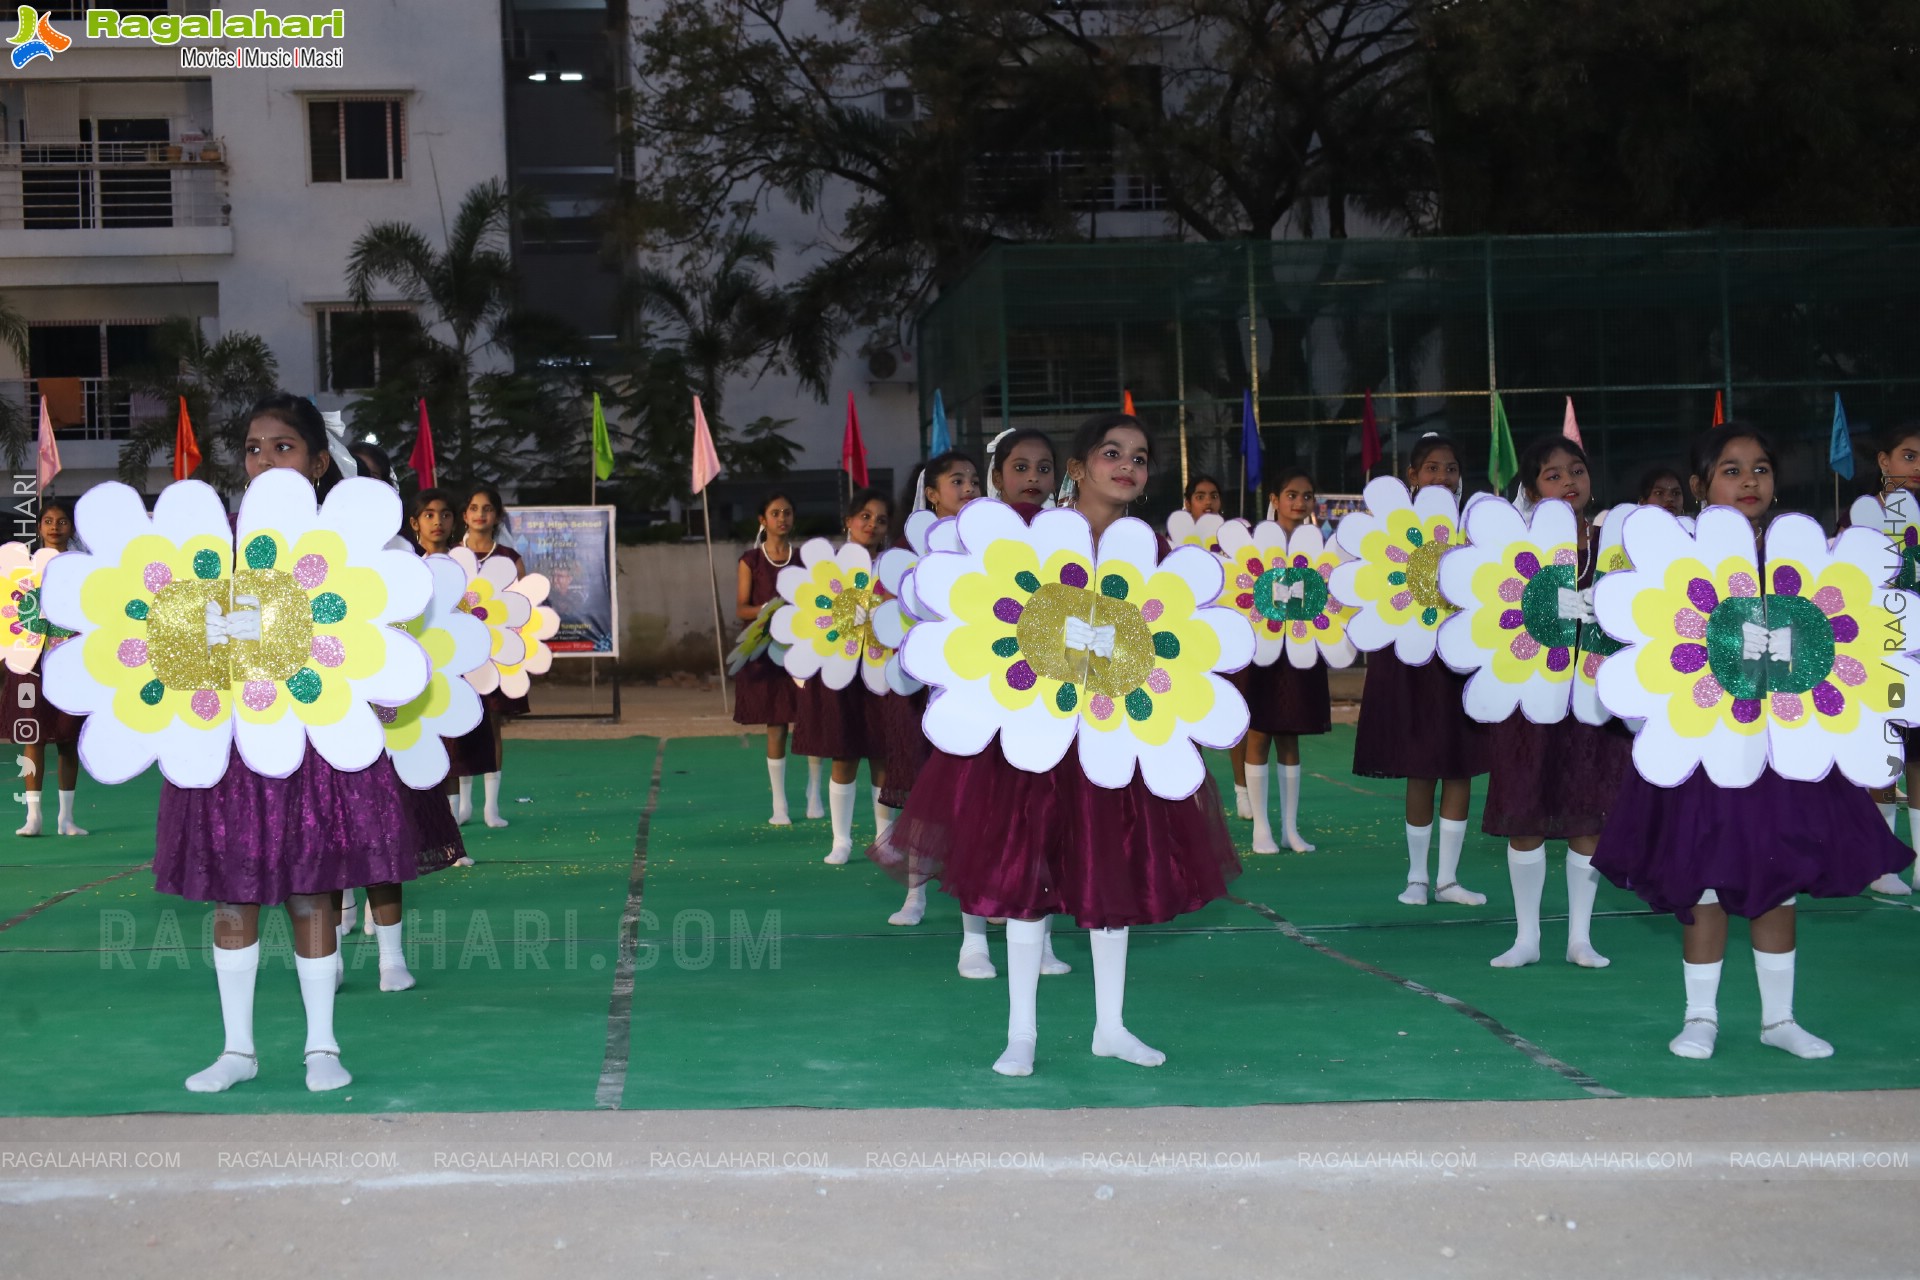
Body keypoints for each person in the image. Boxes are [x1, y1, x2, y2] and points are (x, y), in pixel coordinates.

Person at [870, 412, 1240, 1076]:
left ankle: (1111, 1026)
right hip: (1032, 742)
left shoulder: (1155, 552)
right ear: (1079, 468)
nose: (1128, 465)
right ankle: (1022, 1033)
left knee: (1111, 878)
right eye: (1111, 453)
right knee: (1025, 880)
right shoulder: (1038, 538)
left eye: (1140, 456)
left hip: (1115, 741)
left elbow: (1174, 644)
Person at [158, 394, 465, 1092]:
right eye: (253, 448)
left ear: (319, 460)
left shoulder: (347, 547)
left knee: (311, 893)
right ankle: (237, 1051)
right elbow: (187, 643)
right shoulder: (214, 541)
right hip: (235, 750)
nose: (264, 460)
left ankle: (321, 1047)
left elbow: (375, 637)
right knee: (233, 899)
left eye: (284, 447)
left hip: (320, 749)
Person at [1592, 425, 1910, 1060]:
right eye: (1732, 470)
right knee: (1704, 881)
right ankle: (1700, 1017)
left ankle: (1779, 1020)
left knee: (1778, 877)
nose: (1749, 481)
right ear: (1700, 484)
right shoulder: (1678, 558)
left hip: (1782, 752)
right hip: (1702, 750)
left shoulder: (1803, 555)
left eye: (1760, 468)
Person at [1482, 436, 1631, 969]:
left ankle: (1580, 938)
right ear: (1530, 488)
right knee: (1526, 816)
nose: (1569, 482)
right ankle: (1526, 938)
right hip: (1529, 698)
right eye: (1553, 475)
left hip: (1591, 700)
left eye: (1577, 471)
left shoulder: (1616, 543)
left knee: (1586, 818)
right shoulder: (1516, 546)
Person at [1351, 433, 1490, 907]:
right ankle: (1417, 877)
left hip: (1460, 660)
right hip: (1410, 661)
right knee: (1419, 768)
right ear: (1412, 476)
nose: (1442, 477)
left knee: (1459, 767)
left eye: (1450, 469)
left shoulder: (1473, 527)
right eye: (1432, 468)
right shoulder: (1391, 526)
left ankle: (1448, 879)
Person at [794, 488, 893, 863]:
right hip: (838, 673)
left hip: (880, 671)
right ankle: (841, 840)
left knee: (883, 756)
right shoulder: (828, 568)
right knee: (844, 755)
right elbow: (806, 615)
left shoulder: (891, 567)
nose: (872, 524)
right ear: (848, 521)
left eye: (880, 519)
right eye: (865, 516)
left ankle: (885, 840)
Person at [1243, 468, 1333, 855]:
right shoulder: (1255, 544)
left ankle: (1290, 830)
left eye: (1307, 496)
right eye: (1291, 495)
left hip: (1303, 648)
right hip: (1264, 650)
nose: (1299, 503)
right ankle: (1260, 827)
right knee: (1260, 734)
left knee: (1291, 736)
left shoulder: (1323, 548)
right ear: (1275, 500)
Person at [1858, 421, 1920, 894]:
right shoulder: (1862, 516)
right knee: (1885, 753)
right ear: (1884, 461)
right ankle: (1880, 864)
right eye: (1909, 456)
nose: (1916, 469)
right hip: (1878, 649)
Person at [6, 499, 86, 837]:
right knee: (32, 736)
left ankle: (66, 818)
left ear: (71, 528)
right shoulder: (20, 570)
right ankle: (33, 817)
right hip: (30, 662)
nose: (55, 527)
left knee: (68, 740)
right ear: (39, 527)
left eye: (62, 521)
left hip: (71, 661)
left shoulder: (85, 567)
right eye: (49, 521)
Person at [452, 484, 524, 829]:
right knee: (460, 726)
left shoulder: (510, 560)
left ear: (497, 516)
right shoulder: (450, 557)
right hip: (457, 658)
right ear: (465, 515)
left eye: (488, 508)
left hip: (497, 658)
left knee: (493, 726)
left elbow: (524, 610)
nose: (480, 514)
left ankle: (491, 808)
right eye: (474, 507)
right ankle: (463, 805)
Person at [734, 493, 806, 825]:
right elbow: (741, 608)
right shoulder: (750, 560)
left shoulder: (804, 559)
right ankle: (780, 805)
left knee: (813, 719)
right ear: (763, 520)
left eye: (787, 513)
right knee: (776, 724)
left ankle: (815, 793)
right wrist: (767, 611)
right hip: (765, 650)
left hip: (801, 648)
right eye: (775, 513)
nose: (782, 518)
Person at [986, 428, 1058, 507]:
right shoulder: (983, 519)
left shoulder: (1062, 519)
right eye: (1021, 468)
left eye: (1044, 469)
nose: (1033, 477)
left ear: (1054, 481)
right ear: (998, 478)